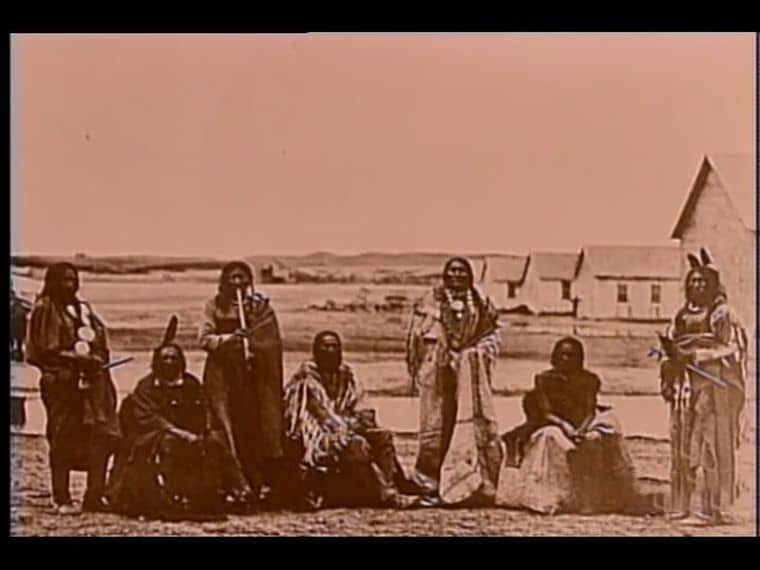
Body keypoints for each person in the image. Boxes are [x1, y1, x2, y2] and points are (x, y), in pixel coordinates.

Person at [498, 337, 662, 515]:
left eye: (571, 355)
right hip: (552, 421)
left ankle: (597, 497)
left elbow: (589, 410)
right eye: (562, 354)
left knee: (597, 438)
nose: (566, 359)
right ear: (555, 356)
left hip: (580, 422)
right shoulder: (544, 379)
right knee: (556, 440)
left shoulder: (589, 379)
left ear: (579, 358)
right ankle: (565, 497)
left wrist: (581, 431)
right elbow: (546, 412)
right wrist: (566, 427)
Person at [106, 317, 236, 521]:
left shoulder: (191, 384)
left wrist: (202, 433)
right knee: (170, 444)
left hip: (190, 434)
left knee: (214, 444)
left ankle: (213, 494)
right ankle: (166, 496)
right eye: (165, 358)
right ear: (157, 362)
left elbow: (202, 412)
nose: (169, 362)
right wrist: (181, 434)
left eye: (173, 358)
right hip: (151, 437)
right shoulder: (146, 387)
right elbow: (150, 419)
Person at [658, 248, 747, 525]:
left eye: (703, 281)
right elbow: (672, 342)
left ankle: (710, 509)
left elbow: (733, 347)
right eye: (693, 280)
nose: (697, 285)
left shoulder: (723, 313)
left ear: (713, 284)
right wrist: (669, 359)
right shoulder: (681, 314)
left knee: (709, 442)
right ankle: (682, 505)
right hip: (685, 387)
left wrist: (696, 355)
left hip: (713, 386)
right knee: (683, 441)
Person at [406, 257, 503, 506]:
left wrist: (474, 354)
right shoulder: (431, 300)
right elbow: (418, 333)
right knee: (436, 423)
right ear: (445, 274)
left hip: (469, 372)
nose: (457, 275)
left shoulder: (480, 301)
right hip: (437, 372)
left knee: (468, 422)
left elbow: (492, 331)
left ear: (469, 275)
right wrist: (443, 351)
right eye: (452, 271)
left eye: (462, 271)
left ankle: (469, 479)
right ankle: (429, 481)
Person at [282, 331, 418, 509]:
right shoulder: (306, 381)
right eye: (326, 346)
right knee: (357, 444)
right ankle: (386, 495)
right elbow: (321, 417)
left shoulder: (347, 376)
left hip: (345, 427)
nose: (331, 350)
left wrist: (363, 418)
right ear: (315, 351)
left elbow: (361, 405)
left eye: (335, 346)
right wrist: (349, 426)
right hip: (316, 439)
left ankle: (392, 485)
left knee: (383, 436)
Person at [25, 263, 121, 515]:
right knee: (63, 435)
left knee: (100, 434)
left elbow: (99, 338)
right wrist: (77, 359)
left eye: (73, 280)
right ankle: (62, 497)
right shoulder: (45, 309)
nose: (69, 285)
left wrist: (96, 359)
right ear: (53, 282)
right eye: (64, 280)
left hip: (93, 383)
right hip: (61, 382)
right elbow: (44, 349)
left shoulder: (83, 309)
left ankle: (94, 495)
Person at [199, 261, 285, 507]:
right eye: (232, 278)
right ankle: (233, 484)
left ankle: (257, 484)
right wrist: (229, 339)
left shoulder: (260, 307)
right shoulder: (214, 305)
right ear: (224, 281)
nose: (237, 283)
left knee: (254, 426)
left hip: (252, 376)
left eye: (242, 278)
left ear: (249, 281)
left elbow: (272, 341)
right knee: (226, 426)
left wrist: (255, 344)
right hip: (222, 376)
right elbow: (204, 339)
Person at [10, 288, 31, 362]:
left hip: (17, 327)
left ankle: (17, 352)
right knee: (16, 341)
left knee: (17, 341)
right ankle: (17, 352)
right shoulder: (19, 304)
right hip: (18, 328)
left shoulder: (18, 305)